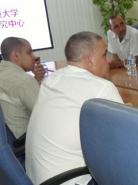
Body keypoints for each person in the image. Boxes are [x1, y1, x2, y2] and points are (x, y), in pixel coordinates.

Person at [25, 31, 124, 185]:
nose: (109, 61)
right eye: (104, 55)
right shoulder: (102, 87)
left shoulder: (51, 79)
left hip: (33, 178)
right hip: (69, 180)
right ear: (90, 60)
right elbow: (124, 137)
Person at [0, 37, 45, 138]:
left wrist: (36, 81)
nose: (34, 57)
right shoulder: (24, 81)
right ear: (16, 55)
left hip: (8, 143)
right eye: (29, 53)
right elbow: (44, 114)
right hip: (25, 141)